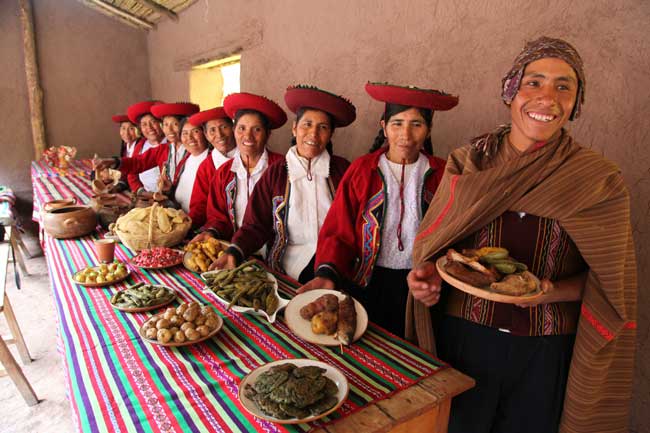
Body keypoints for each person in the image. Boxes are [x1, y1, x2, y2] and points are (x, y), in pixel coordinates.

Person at [406, 37, 636, 433]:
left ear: (576, 104)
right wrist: (425, 279)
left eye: (564, 86)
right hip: (464, 342)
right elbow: (436, 249)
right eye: (534, 82)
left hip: (544, 354)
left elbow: (611, 283)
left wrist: (549, 292)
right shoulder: (470, 163)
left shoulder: (597, 181)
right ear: (511, 92)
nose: (547, 97)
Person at [298, 82, 458, 337]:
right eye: (397, 124)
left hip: (421, 283)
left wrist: (438, 271)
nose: (406, 134)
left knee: (414, 352)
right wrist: (327, 271)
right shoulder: (363, 169)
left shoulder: (444, 173)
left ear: (428, 130)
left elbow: (456, 231)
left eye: (416, 124)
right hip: (366, 281)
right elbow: (338, 230)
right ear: (384, 127)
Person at [214, 85, 355, 283]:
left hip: (334, 265)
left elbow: (349, 225)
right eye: (307, 124)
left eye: (322, 127)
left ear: (330, 133)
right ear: (295, 127)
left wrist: (331, 267)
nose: (313, 134)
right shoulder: (276, 173)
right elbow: (256, 223)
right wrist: (235, 250)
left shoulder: (342, 171)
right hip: (287, 265)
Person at [194, 92, 286, 247]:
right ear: (234, 130)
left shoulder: (282, 168)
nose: (247, 136)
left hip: (276, 253)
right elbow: (218, 217)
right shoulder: (224, 173)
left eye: (256, 129)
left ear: (267, 134)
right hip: (236, 252)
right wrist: (211, 232)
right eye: (241, 128)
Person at [95, 102, 200, 195]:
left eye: (175, 124)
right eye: (166, 125)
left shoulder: (194, 152)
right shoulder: (164, 149)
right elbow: (138, 162)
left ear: (184, 126)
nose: (169, 130)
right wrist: (113, 162)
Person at [187, 107, 236, 228]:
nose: (219, 135)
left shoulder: (249, 157)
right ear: (206, 135)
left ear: (234, 128)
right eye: (212, 130)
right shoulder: (206, 166)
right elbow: (199, 206)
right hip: (217, 231)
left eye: (224, 127)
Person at [171, 119, 210, 213]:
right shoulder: (185, 160)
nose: (190, 137)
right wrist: (169, 189)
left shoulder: (212, 161)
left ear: (205, 134)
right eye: (185, 133)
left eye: (195, 131)